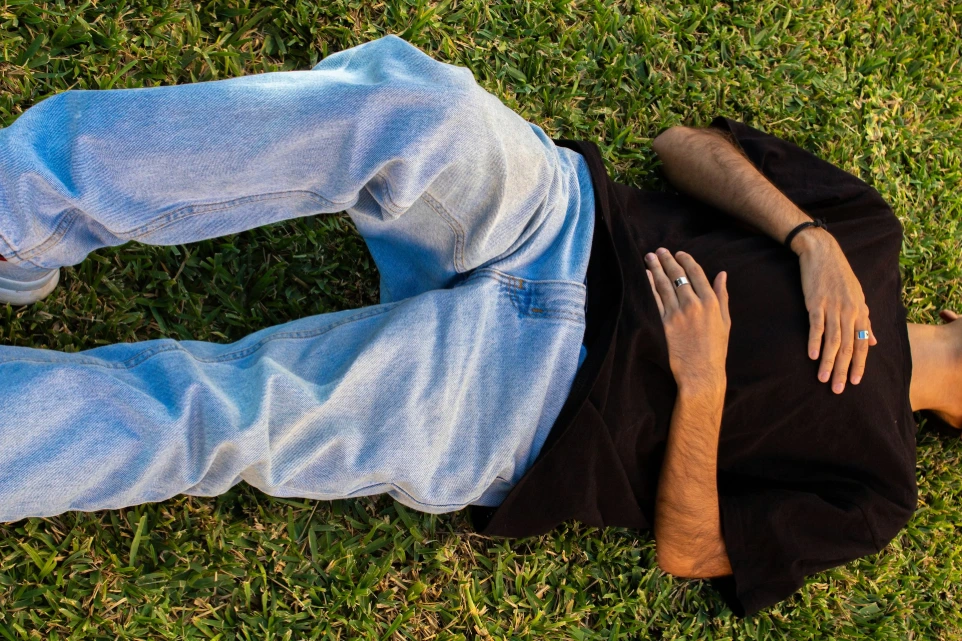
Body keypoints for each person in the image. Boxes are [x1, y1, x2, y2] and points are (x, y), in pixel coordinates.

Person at [0, 34, 955, 616]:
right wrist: (807, 232)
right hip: (566, 222)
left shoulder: (878, 488)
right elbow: (685, 146)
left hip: (521, 412)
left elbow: (693, 552)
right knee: (418, 105)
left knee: (225, 415)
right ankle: (19, 214)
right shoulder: (868, 233)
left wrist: (703, 388)